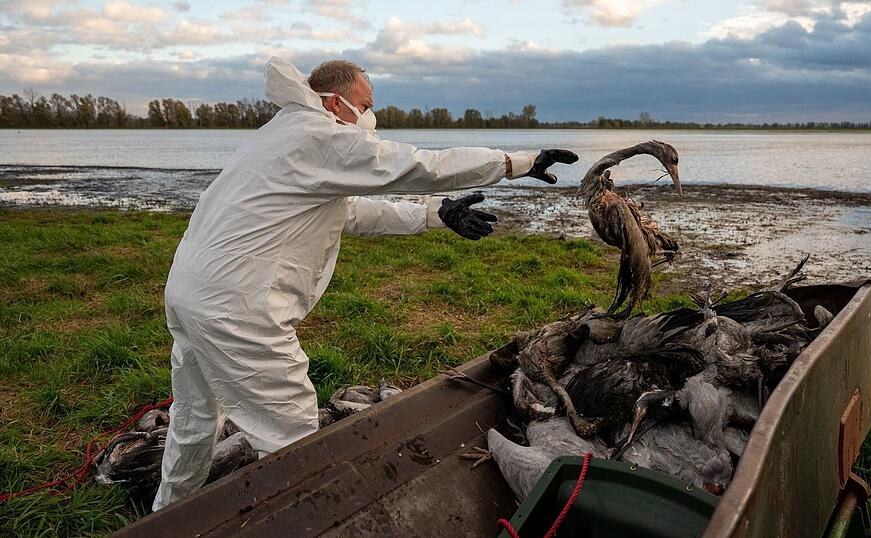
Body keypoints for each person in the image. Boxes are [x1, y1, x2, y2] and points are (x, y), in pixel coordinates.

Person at [152, 56, 578, 511]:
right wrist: (514, 162)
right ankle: (303, 519)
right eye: (366, 103)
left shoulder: (285, 134)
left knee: (194, 416)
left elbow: (349, 211)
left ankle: (167, 512)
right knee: (291, 436)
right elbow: (420, 165)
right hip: (238, 308)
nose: (371, 115)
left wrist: (437, 214)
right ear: (336, 102)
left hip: (190, 293)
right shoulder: (318, 136)